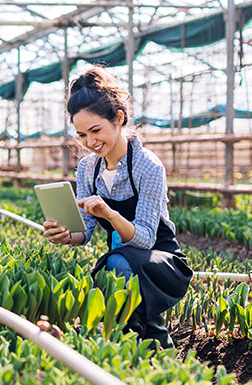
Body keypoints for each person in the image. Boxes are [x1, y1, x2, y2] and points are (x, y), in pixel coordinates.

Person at [42, 66, 192, 349]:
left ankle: (155, 344)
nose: (90, 142)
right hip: (122, 260)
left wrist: (110, 214)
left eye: (96, 130)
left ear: (119, 118)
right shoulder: (88, 168)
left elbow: (146, 239)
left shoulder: (147, 166)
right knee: (114, 264)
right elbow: (84, 233)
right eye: (82, 135)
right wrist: (64, 234)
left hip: (161, 261)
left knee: (116, 262)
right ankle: (136, 347)